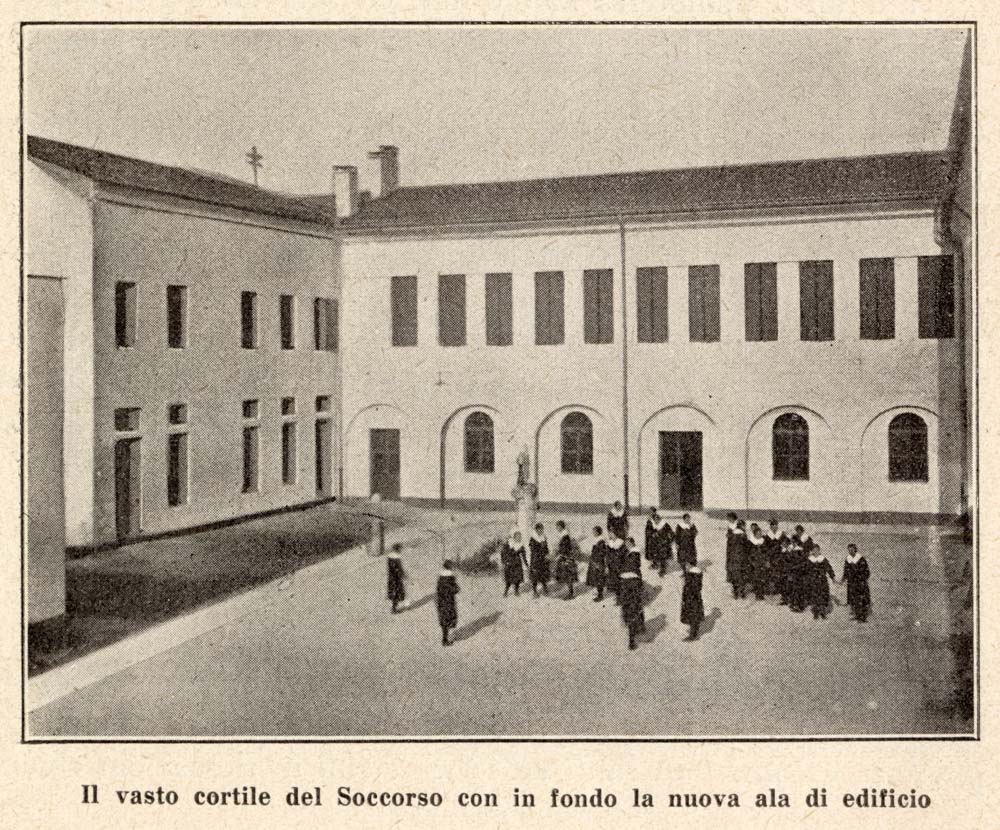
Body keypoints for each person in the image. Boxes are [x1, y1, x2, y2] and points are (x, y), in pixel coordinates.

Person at [842, 543, 871, 622]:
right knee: (853, 600)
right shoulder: (848, 559)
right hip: (851, 583)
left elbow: (867, 572)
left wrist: (861, 579)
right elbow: (846, 570)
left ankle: (863, 617)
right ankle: (857, 615)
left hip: (860, 583)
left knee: (861, 600)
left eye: (852, 549)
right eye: (849, 550)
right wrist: (843, 578)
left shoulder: (861, 559)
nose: (850, 551)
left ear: (855, 549)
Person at [806, 544, 836, 620]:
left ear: (819, 550)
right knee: (814, 596)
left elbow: (829, 568)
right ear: (812, 551)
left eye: (817, 550)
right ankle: (816, 613)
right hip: (813, 580)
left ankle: (823, 612)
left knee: (822, 596)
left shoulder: (823, 559)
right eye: (814, 550)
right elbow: (806, 570)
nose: (815, 551)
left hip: (822, 580)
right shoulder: (810, 560)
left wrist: (832, 577)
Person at [618, 571, 646, 650]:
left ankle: (632, 640)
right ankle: (639, 628)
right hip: (635, 601)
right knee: (637, 614)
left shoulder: (622, 581)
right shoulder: (636, 579)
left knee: (630, 620)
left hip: (628, 603)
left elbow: (621, 594)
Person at [436, 560, 460, 645]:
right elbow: (455, 589)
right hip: (449, 601)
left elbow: (438, 589)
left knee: (444, 619)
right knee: (449, 618)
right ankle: (446, 640)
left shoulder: (440, 577)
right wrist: (456, 587)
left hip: (441, 601)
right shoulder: (451, 577)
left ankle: (445, 638)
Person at [646, 508, 674, 576]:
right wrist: (653, 534)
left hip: (664, 544)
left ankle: (663, 570)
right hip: (657, 543)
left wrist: (669, 540)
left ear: (659, 519)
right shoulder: (655, 525)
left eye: (657, 520)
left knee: (662, 557)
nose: (655, 522)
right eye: (655, 520)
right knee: (657, 555)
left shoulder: (664, 524)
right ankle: (656, 565)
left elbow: (671, 533)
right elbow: (653, 532)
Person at [680, 565, 705, 641]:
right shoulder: (695, 576)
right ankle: (694, 632)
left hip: (691, 600)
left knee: (692, 616)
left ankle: (693, 635)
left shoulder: (692, 577)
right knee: (694, 616)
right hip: (695, 600)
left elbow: (690, 589)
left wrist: (686, 597)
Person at [554, 520, 578, 599]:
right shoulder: (563, 535)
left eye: (558, 527)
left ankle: (571, 593)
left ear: (561, 527)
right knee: (565, 576)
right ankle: (569, 592)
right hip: (564, 557)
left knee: (568, 576)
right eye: (556, 526)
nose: (557, 528)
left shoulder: (565, 536)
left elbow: (565, 548)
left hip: (566, 558)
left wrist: (558, 553)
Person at [725, 515, 747, 599]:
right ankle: (741, 591)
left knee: (734, 574)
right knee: (741, 573)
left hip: (733, 556)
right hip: (741, 556)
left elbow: (730, 545)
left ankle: (736, 591)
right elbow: (745, 546)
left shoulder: (732, 534)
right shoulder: (743, 534)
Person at [500, 528, 527, 597]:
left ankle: (516, 591)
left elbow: (523, 555)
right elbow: (503, 553)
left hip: (517, 563)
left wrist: (526, 564)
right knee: (509, 579)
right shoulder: (508, 544)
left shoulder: (521, 545)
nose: (519, 538)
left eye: (520, 536)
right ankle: (506, 592)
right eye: (517, 536)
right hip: (509, 563)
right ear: (514, 537)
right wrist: (504, 562)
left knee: (517, 578)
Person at [763, 519, 786, 597]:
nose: (774, 527)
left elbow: (786, 544)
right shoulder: (767, 536)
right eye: (772, 525)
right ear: (770, 526)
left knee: (779, 572)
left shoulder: (782, 535)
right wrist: (767, 559)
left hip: (779, 557)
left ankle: (778, 589)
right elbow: (765, 548)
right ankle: (770, 589)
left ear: (777, 525)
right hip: (771, 557)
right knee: (770, 572)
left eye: (775, 525)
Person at [586, 526, 608, 602]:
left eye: (594, 531)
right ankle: (599, 593)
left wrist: (597, 562)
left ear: (598, 532)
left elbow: (602, 553)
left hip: (598, 562)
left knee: (599, 578)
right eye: (593, 531)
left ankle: (600, 595)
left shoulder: (601, 541)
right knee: (596, 578)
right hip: (594, 561)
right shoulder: (597, 540)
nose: (593, 533)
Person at [747, 523, 769, 600]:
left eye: (760, 533)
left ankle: (761, 592)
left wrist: (767, 561)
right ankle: (758, 593)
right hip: (755, 563)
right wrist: (752, 562)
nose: (759, 535)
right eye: (757, 534)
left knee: (763, 577)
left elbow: (766, 552)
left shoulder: (763, 541)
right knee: (756, 578)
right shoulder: (751, 542)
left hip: (762, 562)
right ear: (754, 534)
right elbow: (749, 554)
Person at [529, 522, 551, 597]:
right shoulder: (533, 538)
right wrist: (540, 549)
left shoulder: (543, 537)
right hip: (536, 559)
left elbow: (546, 548)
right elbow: (533, 549)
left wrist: (547, 554)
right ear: (536, 530)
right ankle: (535, 591)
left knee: (543, 574)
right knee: (535, 575)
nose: (540, 531)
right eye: (539, 529)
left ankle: (545, 588)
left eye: (542, 529)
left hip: (543, 559)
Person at [605, 531, 624, 601]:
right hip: (612, 565)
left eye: (612, 533)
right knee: (614, 581)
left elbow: (623, 554)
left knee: (620, 580)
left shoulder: (620, 542)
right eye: (609, 534)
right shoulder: (609, 543)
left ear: (616, 534)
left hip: (619, 564)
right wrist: (607, 564)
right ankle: (617, 596)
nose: (610, 535)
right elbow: (607, 554)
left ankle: (621, 597)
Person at [387, 543, 406, 613]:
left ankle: (394, 607)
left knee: (394, 593)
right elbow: (399, 568)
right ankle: (394, 608)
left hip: (391, 577)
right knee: (397, 592)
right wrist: (403, 575)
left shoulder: (390, 557)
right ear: (397, 549)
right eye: (400, 549)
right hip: (397, 577)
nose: (401, 550)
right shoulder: (397, 558)